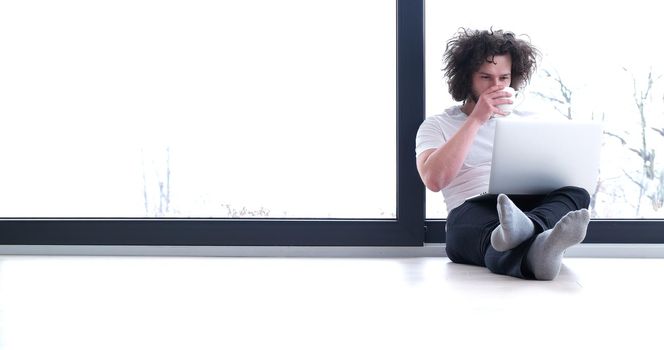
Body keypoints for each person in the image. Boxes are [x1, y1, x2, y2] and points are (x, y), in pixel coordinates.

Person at [415, 28, 590, 280]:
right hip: (472, 212)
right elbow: (434, 179)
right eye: (486, 77)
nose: (496, 86)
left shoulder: (532, 122)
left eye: (504, 78)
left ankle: (532, 233)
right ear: (467, 78)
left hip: (526, 208)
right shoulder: (437, 125)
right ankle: (539, 246)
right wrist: (477, 119)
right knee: (492, 234)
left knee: (577, 194)